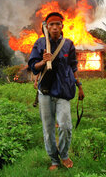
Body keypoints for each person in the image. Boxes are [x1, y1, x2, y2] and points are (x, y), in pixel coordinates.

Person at [28, 12, 85, 171]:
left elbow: (73, 66)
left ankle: (64, 154)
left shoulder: (68, 44)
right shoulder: (40, 43)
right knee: (48, 128)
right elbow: (33, 65)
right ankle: (54, 159)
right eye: (51, 24)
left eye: (57, 24)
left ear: (62, 26)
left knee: (65, 125)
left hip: (63, 90)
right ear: (46, 27)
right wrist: (43, 62)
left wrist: (79, 86)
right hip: (45, 91)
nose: (54, 27)